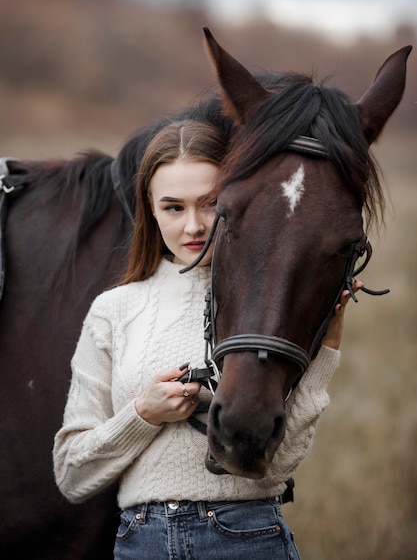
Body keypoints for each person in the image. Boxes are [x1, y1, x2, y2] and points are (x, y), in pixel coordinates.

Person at [53, 119, 360, 560]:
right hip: (140, 544)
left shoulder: (268, 299)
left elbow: (280, 462)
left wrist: (326, 351)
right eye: (173, 207)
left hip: (246, 537)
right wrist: (143, 415)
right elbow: (71, 475)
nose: (194, 225)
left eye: (210, 203)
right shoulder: (114, 310)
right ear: (151, 210)